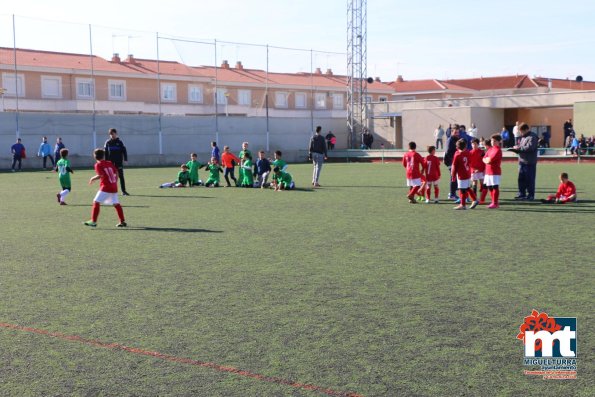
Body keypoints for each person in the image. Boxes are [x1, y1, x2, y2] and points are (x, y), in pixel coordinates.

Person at [83, 148, 126, 228]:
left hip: (106, 187)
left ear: (94, 156)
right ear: (104, 156)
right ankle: (122, 221)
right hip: (113, 186)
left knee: (96, 202)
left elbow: (101, 175)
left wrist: (92, 178)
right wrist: (115, 181)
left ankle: (93, 221)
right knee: (116, 204)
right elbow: (116, 172)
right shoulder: (109, 163)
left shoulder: (98, 165)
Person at [513, 123, 538, 201]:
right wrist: (516, 149)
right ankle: (521, 194)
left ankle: (530, 195)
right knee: (521, 179)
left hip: (529, 162)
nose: (521, 133)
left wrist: (519, 148)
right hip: (522, 161)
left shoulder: (532, 137)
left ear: (526, 129)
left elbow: (530, 148)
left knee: (530, 180)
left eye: (522, 131)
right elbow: (522, 147)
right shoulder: (523, 137)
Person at [451, 139, 478, 210]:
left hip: (461, 175)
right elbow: (469, 162)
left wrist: (453, 175)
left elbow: (454, 167)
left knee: (462, 190)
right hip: (468, 173)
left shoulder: (457, 154)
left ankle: (462, 205)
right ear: (465, 146)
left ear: (457, 147)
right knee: (468, 188)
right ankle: (475, 200)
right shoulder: (468, 153)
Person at [104, 128, 129, 195]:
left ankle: (124, 191)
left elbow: (124, 151)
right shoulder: (108, 142)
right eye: (110, 134)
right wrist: (106, 162)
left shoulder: (120, 142)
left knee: (121, 176)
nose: (112, 135)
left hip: (118, 162)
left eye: (113, 133)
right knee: (110, 177)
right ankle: (109, 191)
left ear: (116, 133)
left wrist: (125, 159)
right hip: (110, 163)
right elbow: (106, 153)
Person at [482, 134, 503, 209]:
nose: (492, 142)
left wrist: (487, 160)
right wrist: (486, 160)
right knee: (489, 187)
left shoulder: (498, 150)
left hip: (495, 171)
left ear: (499, 142)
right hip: (488, 171)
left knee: (495, 187)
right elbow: (484, 158)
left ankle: (495, 203)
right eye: (491, 140)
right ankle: (493, 201)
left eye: (494, 141)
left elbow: (489, 160)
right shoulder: (490, 149)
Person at [443, 124, 460, 199]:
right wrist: (453, 162)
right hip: (450, 162)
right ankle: (452, 194)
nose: (457, 133)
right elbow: (448, 152)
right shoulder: (450, 140)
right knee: (453, 177)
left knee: (455, 177)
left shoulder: (457, 139)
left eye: (458, 132)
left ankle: (452, 193)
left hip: (455, 161)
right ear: (452, 132)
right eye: (455, 132)